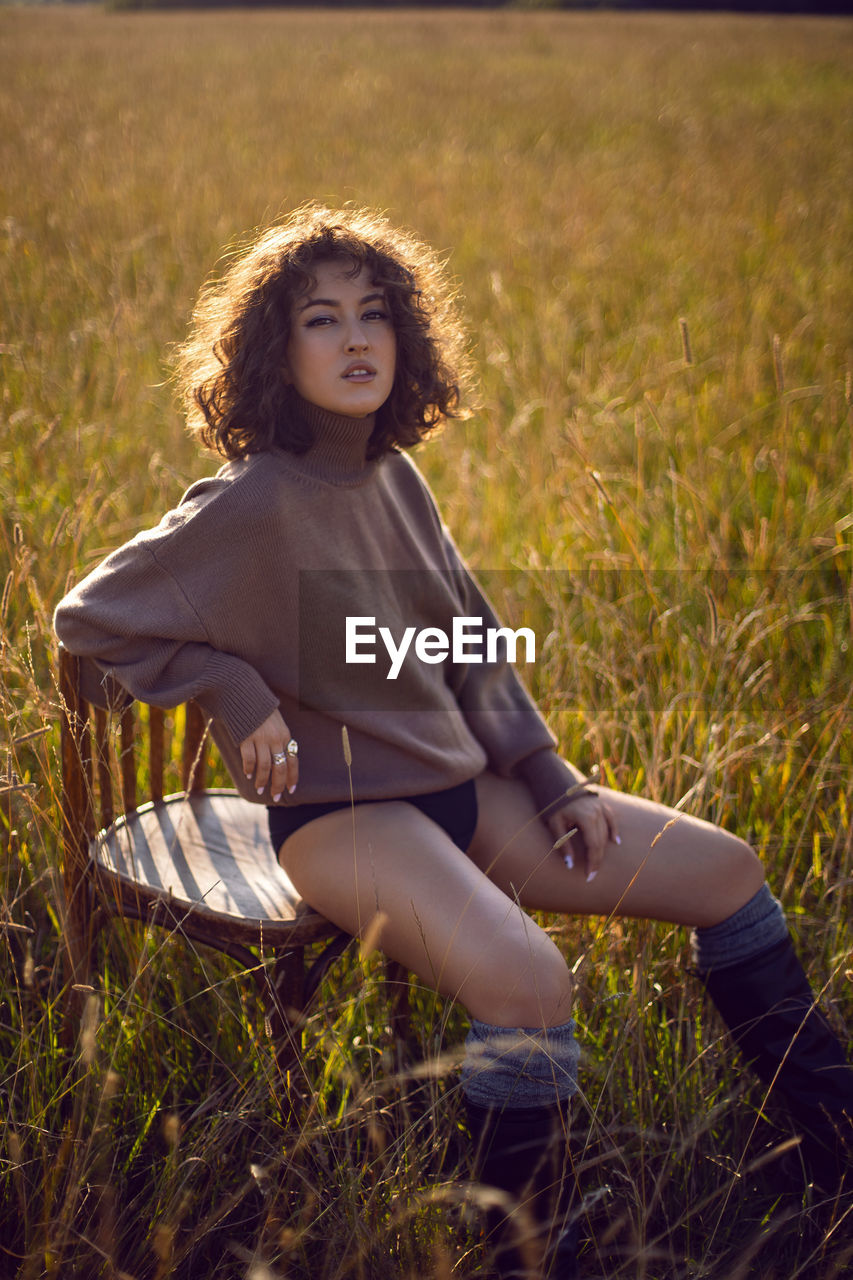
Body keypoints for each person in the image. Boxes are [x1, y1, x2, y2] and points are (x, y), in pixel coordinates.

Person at [54, 204, 850, 1278]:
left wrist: (549, 771)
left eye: (374, 316)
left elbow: (471, 643)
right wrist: (232, 689)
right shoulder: (247, 504)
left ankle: (828, 1153)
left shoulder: (394, 477)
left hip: (464, 787)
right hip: (341, 817)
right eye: (321, 320)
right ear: (273, 354)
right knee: (527, 979)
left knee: (726, 871)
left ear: (405, 337)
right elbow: (89, 619)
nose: (355, 341)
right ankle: (529, 1246)